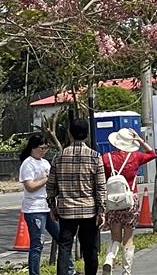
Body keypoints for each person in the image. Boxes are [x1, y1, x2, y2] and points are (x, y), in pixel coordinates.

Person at [47, 118, 106, 275]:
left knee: (65, 247)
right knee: (90, 249)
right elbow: (101, 187)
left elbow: (51, 185)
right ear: (86, 135)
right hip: (89, 210)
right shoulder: (95, 157)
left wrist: (52, 206)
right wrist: (101, 211)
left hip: (66, 210)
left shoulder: (58, 157)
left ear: (69, 134)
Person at [100, 128, 157, 275]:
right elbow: (152, 154)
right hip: (130, 201)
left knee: (115, 237)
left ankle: (109, 259)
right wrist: (139, 139)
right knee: (128, 239)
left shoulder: (106, 158)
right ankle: (126, 271)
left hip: (112, 202)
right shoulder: (135, 157)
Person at [19, 134, 67, 275]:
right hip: (34, 208)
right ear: (33, 147)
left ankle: (67, 270)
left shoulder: (45, 163)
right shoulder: (28, 164)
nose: (44, 150)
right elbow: (30, 186)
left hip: (48, 206)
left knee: (62, 239)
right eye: (41, 148)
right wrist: (46, 179)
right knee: (37, 244)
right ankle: (34, 272)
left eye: (46, 148)